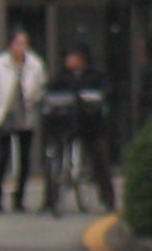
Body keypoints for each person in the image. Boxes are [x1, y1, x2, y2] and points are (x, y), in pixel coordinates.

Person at [0, 29, 46, 214]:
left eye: (24, 43)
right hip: (4, 114)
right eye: (18, 43)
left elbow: (41, 87)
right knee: (2, 157)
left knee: (25, 159)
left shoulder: (35, 64)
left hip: (25, 115)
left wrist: (33, 94)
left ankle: (19, 199)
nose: (21, 47)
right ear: (10, 45)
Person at [40, 44, 115, 215]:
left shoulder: (96, 75)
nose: (69, 60)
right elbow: (50, 91)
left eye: (72, 57)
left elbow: (105, 92)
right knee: (54, 157)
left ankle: (109, 198)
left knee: (99, 158)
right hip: (65, 122)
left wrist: (95, 98)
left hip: (89, 123)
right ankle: (50, 199)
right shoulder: (61, 76)